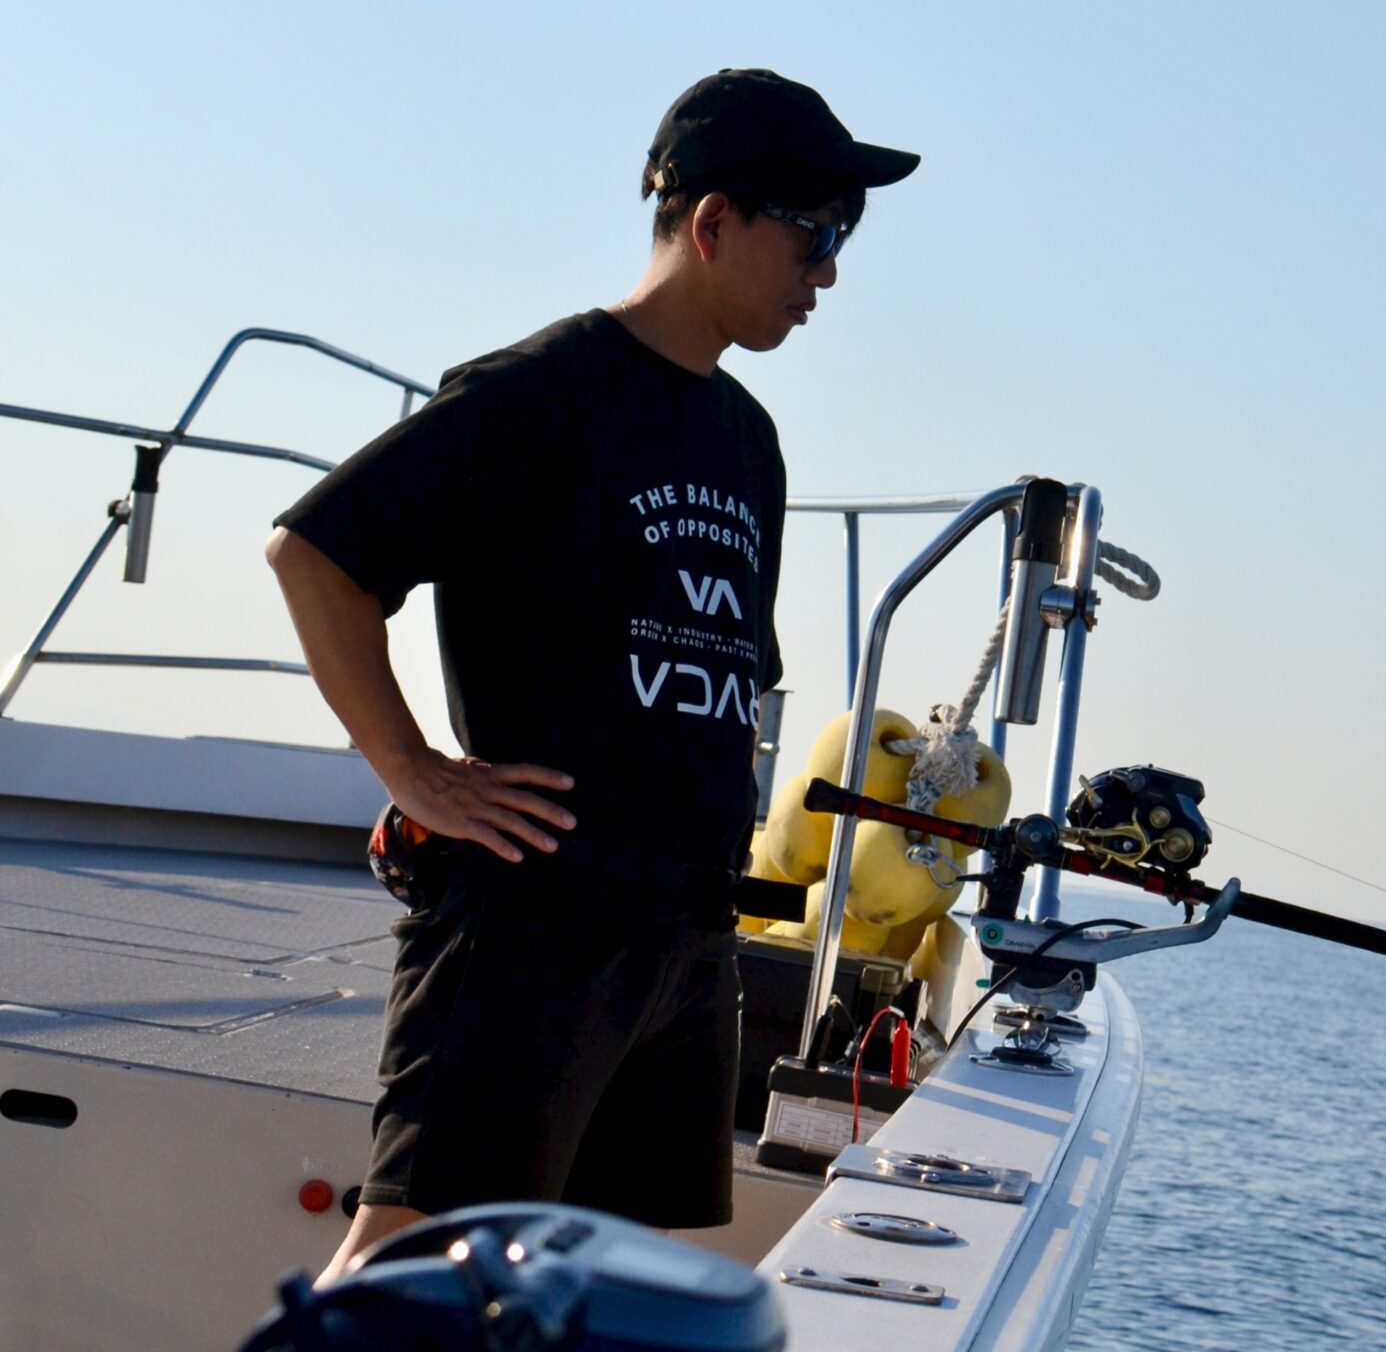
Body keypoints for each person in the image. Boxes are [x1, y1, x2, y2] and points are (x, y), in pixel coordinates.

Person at [265, 68, 918, 1283]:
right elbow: (317, 555)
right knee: (415, 1261)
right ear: (713, 221)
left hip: (684, 939)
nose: (828, 272)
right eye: (817, 234)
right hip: (535, 925)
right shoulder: (541, 393)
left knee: (610, 1276)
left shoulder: (748, 439)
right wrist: (412, 772)